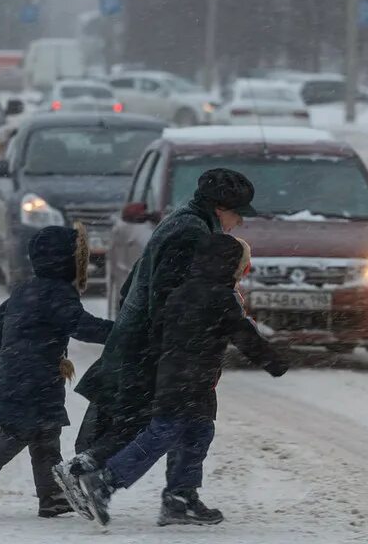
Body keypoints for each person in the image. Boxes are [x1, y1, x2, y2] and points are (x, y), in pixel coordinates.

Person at [56, 168, 257, 514]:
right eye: (238, 215)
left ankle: (177, 496)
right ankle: (86, 473)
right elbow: (168, 295)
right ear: (221, 208)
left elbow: (138, 279)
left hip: (149, 339)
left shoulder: (183, 221)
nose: (238, 224)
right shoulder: (191, 234)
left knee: (179, 421)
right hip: (158, 345)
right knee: (155, 422)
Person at [75, 234, 287, 526]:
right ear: (230, 265)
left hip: (179, 378)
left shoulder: (181, 291)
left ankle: (180, 498)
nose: (244, 270)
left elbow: (159, 330)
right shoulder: (221, 298)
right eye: (244, 264)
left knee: (198, 433)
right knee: (161, 435)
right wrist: (275, 362)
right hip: (189, 381)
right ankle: (106, 482)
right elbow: (244, 336)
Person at [0, 224, 113, 519]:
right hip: (34, 378)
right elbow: (81, 325)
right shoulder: (57, 293)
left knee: (46, 432)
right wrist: (122, 333)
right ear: (66, 261)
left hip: (25, 374)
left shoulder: (25, 289)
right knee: (18, 431)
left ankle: (52, 497)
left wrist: (3, 367)